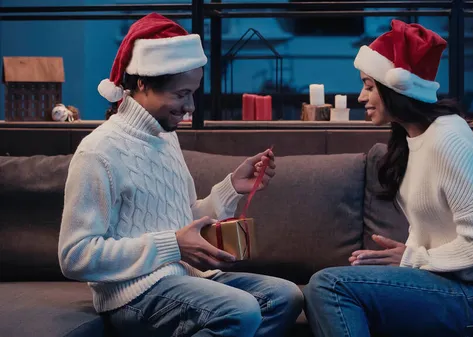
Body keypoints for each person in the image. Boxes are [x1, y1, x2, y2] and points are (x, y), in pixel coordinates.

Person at [58, 13, 303, 337]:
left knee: (285, 297)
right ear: (142, 83)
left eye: (193, 93)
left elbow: (182, 221)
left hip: (186, 278)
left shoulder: (166, 137)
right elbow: (75, 256)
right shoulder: (98, 152)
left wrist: (231, 188)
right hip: (134, 295)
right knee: (240, 311)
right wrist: (172, 245)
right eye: (179, 94)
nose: (190, 106)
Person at [303, 20, 473, 337]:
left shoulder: (448, 140)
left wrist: (414, 258)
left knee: (329, 286)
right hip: (449, 284)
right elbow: (432, 225)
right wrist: (409, 257)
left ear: (397, 88)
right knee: (330, 286)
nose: (361, 97)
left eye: (369, 86)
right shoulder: (412, 138)